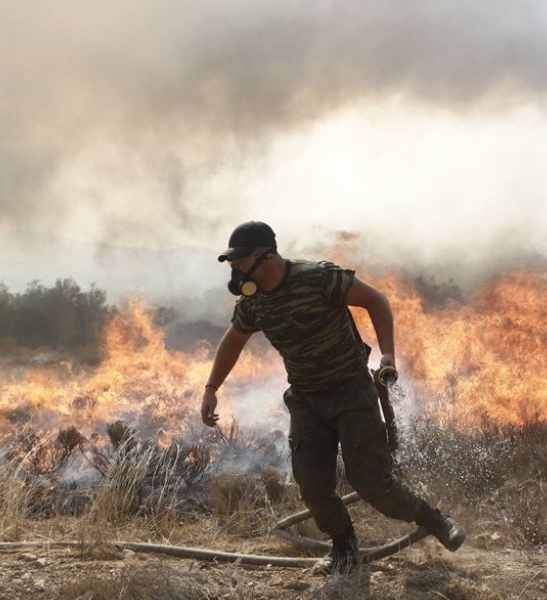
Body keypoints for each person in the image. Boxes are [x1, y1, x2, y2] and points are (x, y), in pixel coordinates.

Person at [199, 220, 466, 576]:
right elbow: (233, 340)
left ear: (265, 257)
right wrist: (211, 388)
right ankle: (344, 547)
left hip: (351, 390)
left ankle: (434, 519)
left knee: (372, 483)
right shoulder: (254, 303)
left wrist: (388, 354)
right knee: (312, 486)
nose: (235, 268)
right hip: (307, 399)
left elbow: (375, 300)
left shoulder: (319, 277)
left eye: (241, 260)